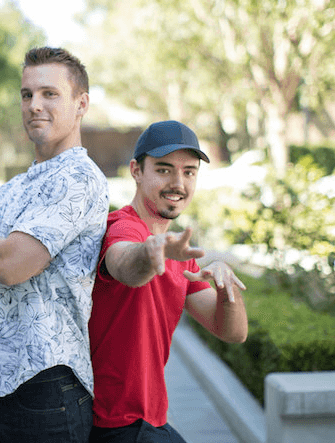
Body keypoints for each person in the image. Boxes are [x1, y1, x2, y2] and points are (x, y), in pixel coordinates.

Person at [0, 46, 109, 443]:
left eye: (49, 94)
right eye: (27, 94)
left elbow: (9, 266)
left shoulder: (79, 178)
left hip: (46, 388)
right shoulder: (12, 187)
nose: (34, 105)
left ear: (81, 104)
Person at [89, 120, 249, 443]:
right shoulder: (122, 228)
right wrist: (150, 254)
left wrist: (226, 287)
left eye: (189, 172)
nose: (178, 183)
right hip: (114, 422)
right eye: (164, 170)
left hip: (150, 419)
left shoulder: (179, 253)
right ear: (136, 171)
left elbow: (232, 332)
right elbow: (123, 263)